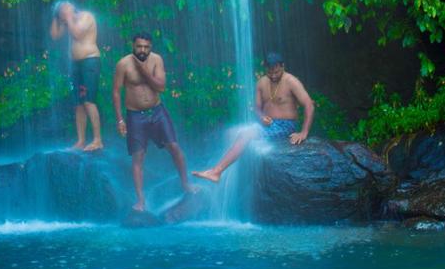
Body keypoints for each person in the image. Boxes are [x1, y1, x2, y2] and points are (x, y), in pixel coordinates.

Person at [192, 52, 314, 183]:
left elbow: (309, 105)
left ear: (283, 66)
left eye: (276, 72)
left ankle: (216, 172)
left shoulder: (291, 82)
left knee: (246, 135)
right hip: (267, 125)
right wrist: (261, 117)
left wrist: (304, 132)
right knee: (235, 134)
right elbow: (257, 108)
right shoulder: (261, 83)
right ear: (265, 69)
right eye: (270, 72)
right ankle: (215, 171)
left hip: (285, 125)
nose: (273, 76)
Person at [111, 32, 194, 211]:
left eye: (146, 47)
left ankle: (186, 184)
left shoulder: (156, 60)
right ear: (133, 46)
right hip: (134, 115)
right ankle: (141, 200)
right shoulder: (123, 64)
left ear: (151, 47)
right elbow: (116, 92)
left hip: (157, 111)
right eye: (139, 46)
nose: (143, 50)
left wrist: (143, 70)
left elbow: (161, 87)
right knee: (138, 157)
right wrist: (120, 120)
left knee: (174, 147)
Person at [50, 0, 103, 151]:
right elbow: (54, 35)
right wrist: (55, 16)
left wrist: (67, 17)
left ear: (71, 8)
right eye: (60, 13)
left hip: (90, 61)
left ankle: (98, 140)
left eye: (63, 11)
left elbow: (78, 34)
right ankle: (80, 141)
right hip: (76, 65)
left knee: (88, 101)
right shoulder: (68, 21)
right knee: (79, 104)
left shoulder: (86, 16)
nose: (62, 15)